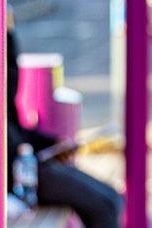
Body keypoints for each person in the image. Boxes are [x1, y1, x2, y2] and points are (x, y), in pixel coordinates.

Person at [7, 18, 122, 227]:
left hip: (29, 161)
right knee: (104, 206)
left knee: (111, 198)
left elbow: (12, 124)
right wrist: (7, 34)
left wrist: (53, 143)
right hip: (17, 174)